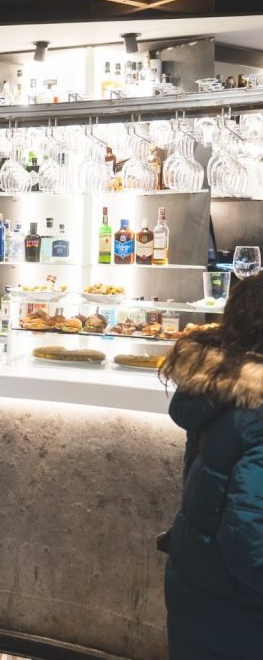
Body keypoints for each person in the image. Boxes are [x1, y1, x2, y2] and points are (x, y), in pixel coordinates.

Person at [158, 274, 263, 659]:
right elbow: (249, 542)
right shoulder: (256, 412)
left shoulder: (223, 389)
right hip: (239, 618)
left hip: (201, 590)